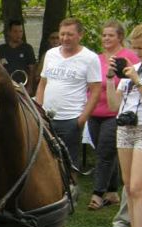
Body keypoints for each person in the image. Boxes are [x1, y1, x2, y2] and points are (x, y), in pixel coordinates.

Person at [36, 18, 101, 174]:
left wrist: (81, 119)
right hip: (46, 118)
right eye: (62, 34)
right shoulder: (51, 54)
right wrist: (38, 109)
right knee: (44, 159)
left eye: (70, 34)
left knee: (69, 163)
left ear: (80, 35)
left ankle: (71, 195)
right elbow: (42, 84)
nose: (65, 38)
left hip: (71, 119)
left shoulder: (89, 58)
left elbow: (96, 90)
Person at [106, 23, 142, 227]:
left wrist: (138, 80)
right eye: (135, 47)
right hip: (125, 129)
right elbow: (113, 106)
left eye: (141, 47)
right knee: (129, 187)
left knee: (139, 188)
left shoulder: (137, 73)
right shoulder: (132, 70)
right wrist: (112, 79)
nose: (137, 52)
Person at [87, 20, 139, 210]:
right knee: (106, 152)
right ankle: (112, 191)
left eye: (110, 35)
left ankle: (97, 194)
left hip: (116, 112)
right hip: (95, 111)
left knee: (104, 153)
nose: (106, 38)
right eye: (104, 35)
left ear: (120, 37)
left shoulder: (129, 57)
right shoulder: (97, 58)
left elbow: (136, 81)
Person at [0, 19, 36, 93]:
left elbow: (32, 69)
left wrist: (30, 86)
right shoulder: (1, 48)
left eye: (20, 31)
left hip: (23, 87)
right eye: (15, 31)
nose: (18, 34)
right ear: (9, 32)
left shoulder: (27, 48)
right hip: (6, 87)